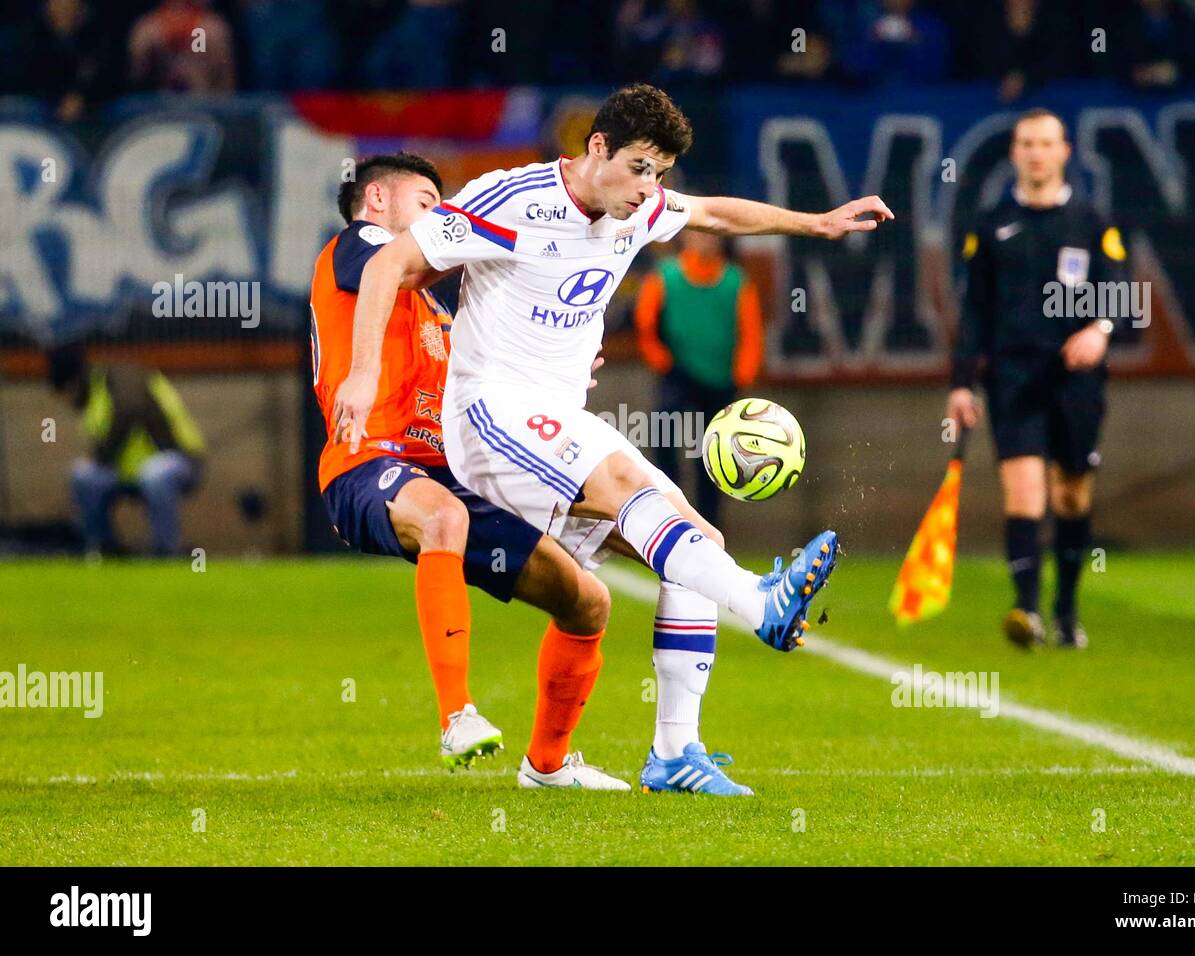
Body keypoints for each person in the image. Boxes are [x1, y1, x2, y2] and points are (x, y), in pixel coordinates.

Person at [335, 83, 894, 795]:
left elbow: (714, 211)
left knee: (697, 546)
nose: (647, 189)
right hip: (489, 413)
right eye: (636, 167)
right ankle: (762, 604)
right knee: (632, 491)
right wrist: (361, 374)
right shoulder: (511, 201)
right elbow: (389, 264)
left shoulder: (646, 205)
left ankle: (674, 753)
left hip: (557, 416)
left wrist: (815, 224)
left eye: (658, 172)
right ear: (595, 148)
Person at [313, 152, 627, 789]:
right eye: (428, 203)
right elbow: (384, 264)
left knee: (586, 601)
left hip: (449, 474)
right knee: (444, 516)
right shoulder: (360, 247)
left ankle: (546, 766)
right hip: (365, 461)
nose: (442, 217)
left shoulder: (436, 311)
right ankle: (457, 714)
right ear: (376, 200)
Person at [946, 108, 1129, 650]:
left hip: (1076, 380)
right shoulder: (992, 224)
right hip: (1014, 376)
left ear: (1064, 151)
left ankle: (1066, 610)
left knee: (1071, 496)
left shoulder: (1092, 222)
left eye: (1046, 143)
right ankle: (1026, 610)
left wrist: (1100, 328)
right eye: (1027, 143)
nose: (1036, 152)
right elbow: (974, 311)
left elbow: (1118, 290)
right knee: (1024, 491)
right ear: (1014, 153)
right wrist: (961, 383)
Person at [635, 229, 763, 530]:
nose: (705, 241)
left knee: (712, 456)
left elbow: (751, 332)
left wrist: (742, 375)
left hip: (720, 381)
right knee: (662, 433)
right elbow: (645, 324)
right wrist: (663, 363)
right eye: (699, 234)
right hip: (677, 374)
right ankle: (666, 510)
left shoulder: (735, 281)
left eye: (711, 235)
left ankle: (708, 524)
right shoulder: (665, 276)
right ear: (685, 238)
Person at [47, 345, 206, 557]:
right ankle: (104, 549)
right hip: (128, 472)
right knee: (83, 475)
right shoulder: (90, 399)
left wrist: (101, 456)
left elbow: (130, 409)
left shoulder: (120, 375)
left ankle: (167, 550)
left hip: (179, 458)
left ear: (71, 384)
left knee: (155, 474)